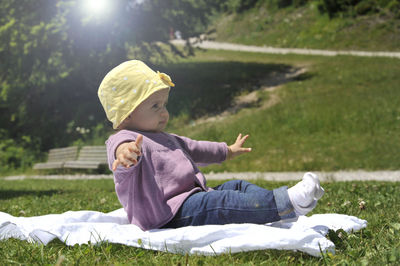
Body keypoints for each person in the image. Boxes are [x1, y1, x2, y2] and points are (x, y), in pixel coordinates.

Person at [98, 60, 325, 231]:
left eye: (164, 104)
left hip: (192, 200)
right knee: (221, 202)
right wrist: (126, 155)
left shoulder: (167, 138)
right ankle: (287, 201)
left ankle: (278, 208)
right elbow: (119, 150)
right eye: (155, 106)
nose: (164, 113)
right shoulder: (125, 139)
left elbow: (196, 148)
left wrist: (227, 150)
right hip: (166, 214)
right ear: (126, 115)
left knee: (236, 186)